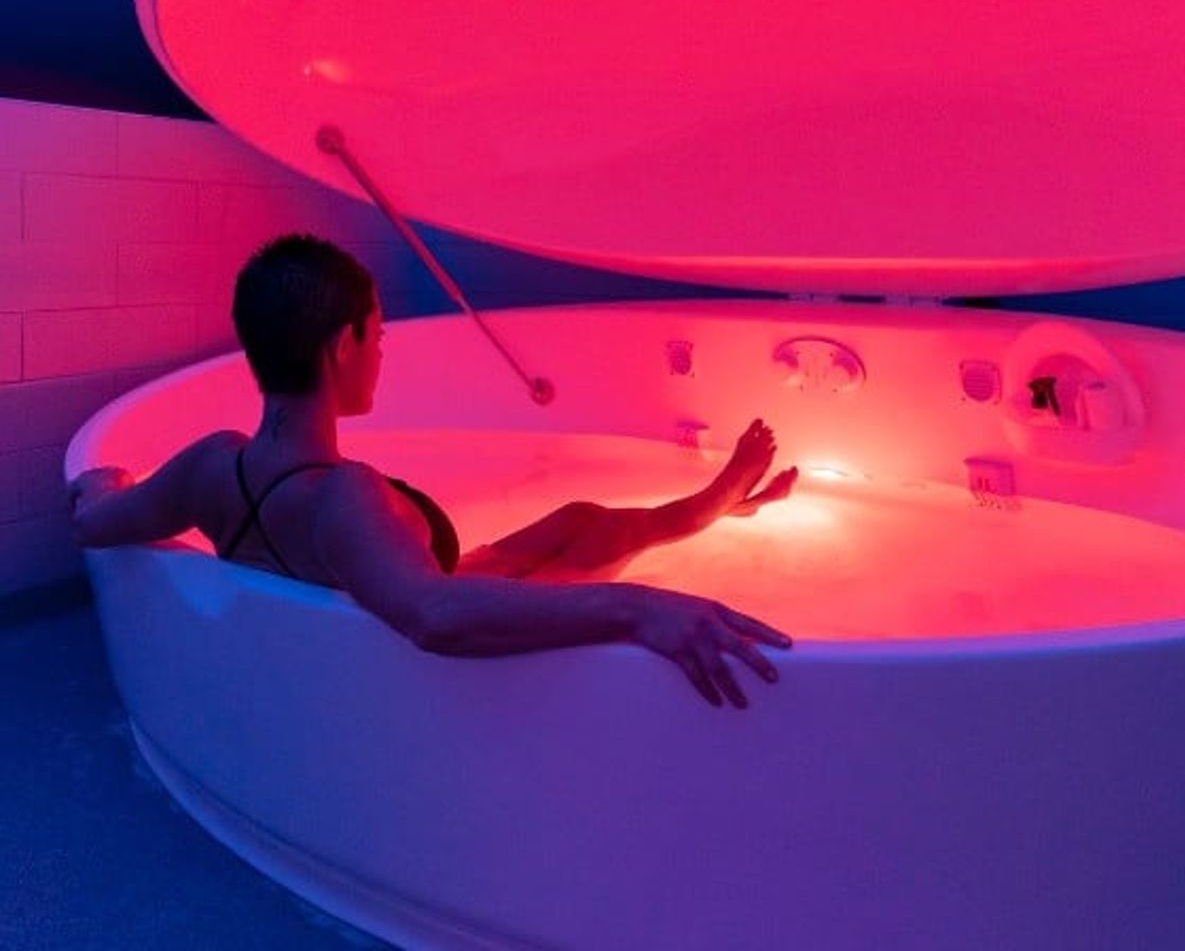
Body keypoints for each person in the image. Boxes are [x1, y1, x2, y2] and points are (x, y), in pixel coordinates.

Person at [69, 234, 798, 708]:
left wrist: (103, 483)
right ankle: (709, 506)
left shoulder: (209, 465)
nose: (382, 353)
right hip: (454, 616)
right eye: (377, 336)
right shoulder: (342, 498)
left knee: (579, 519)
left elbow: (93, 522)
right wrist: (641, 609)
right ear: (342, 345)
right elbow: (436, 616)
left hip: (390, 574)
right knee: (592, 536)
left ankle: (713, 503)